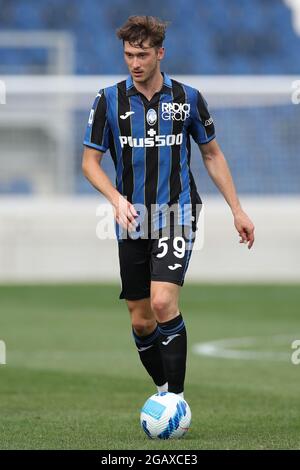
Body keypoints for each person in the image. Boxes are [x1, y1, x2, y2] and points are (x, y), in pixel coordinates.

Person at [82, 15, 255, 399]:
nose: (135, 63)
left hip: (177, 213)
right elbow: (89, 162)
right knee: (141, 320)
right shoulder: (107, 100)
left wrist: (237, 210)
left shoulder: (187, 99)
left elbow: (211, 154)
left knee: (163, 302)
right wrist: (115, 198)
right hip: (131, 219)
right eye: (128, 55)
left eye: (142, 54)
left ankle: (176, 399)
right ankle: (163, 387)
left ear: (160, 52)